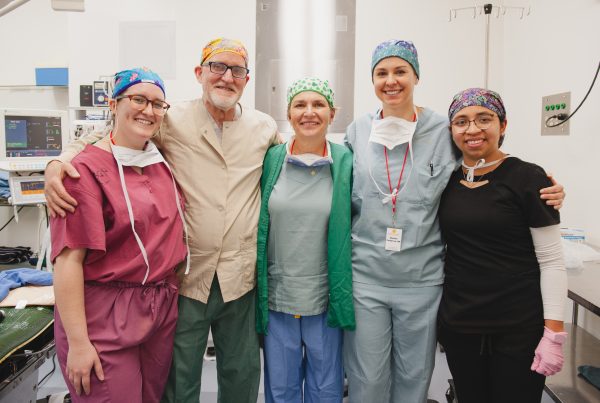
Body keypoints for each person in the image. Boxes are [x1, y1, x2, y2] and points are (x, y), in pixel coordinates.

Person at [45, 38, 280, 403]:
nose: (226, 77)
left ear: (246, 80)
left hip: (239, 277)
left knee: (242, 375)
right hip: (188, 278)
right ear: (199, 73)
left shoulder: (263, 127)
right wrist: (59, 160)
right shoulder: (172, 118)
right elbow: (111, 132)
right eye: (217, 67)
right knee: (179, 380)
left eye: (237, 70)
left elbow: (295, 152)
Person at [342, 39, 565, 403]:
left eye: (401, 71)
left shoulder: (441, 130)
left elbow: (486, 162)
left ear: (416, 76)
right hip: (367, 275)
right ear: (372, 79)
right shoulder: (357, 131)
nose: (391, 80)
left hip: (423, 278)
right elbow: (341, 188)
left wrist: (543, 185)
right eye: (382, 73)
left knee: (415, 374)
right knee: (366, 375)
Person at [51, 67, 188, 402]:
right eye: (138, 99)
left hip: (159, 309)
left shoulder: (162, 162)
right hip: (104, 315)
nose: (148, 110)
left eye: (157, 104)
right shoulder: (81, 172)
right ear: (113, 104)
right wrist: (79, 344)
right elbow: (68, 262)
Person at [437, 88, 567, 403]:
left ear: (503, 125)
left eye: (484, 119)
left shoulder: (528, 177)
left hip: (518, 328)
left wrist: (553, 332)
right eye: (461, 122)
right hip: (461, 324)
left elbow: (552, 260)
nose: (472, 129)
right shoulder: (444, 181)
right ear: (452, 130)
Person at [256, 77, 355, 403]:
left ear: (332, 113)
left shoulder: (345, 162)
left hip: (325, 298)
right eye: (300, 105)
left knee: (326, 388)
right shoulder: (271, 160)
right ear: (288, 113)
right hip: (279, 297)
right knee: (281, 389)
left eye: (318, 105)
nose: (309, 112)